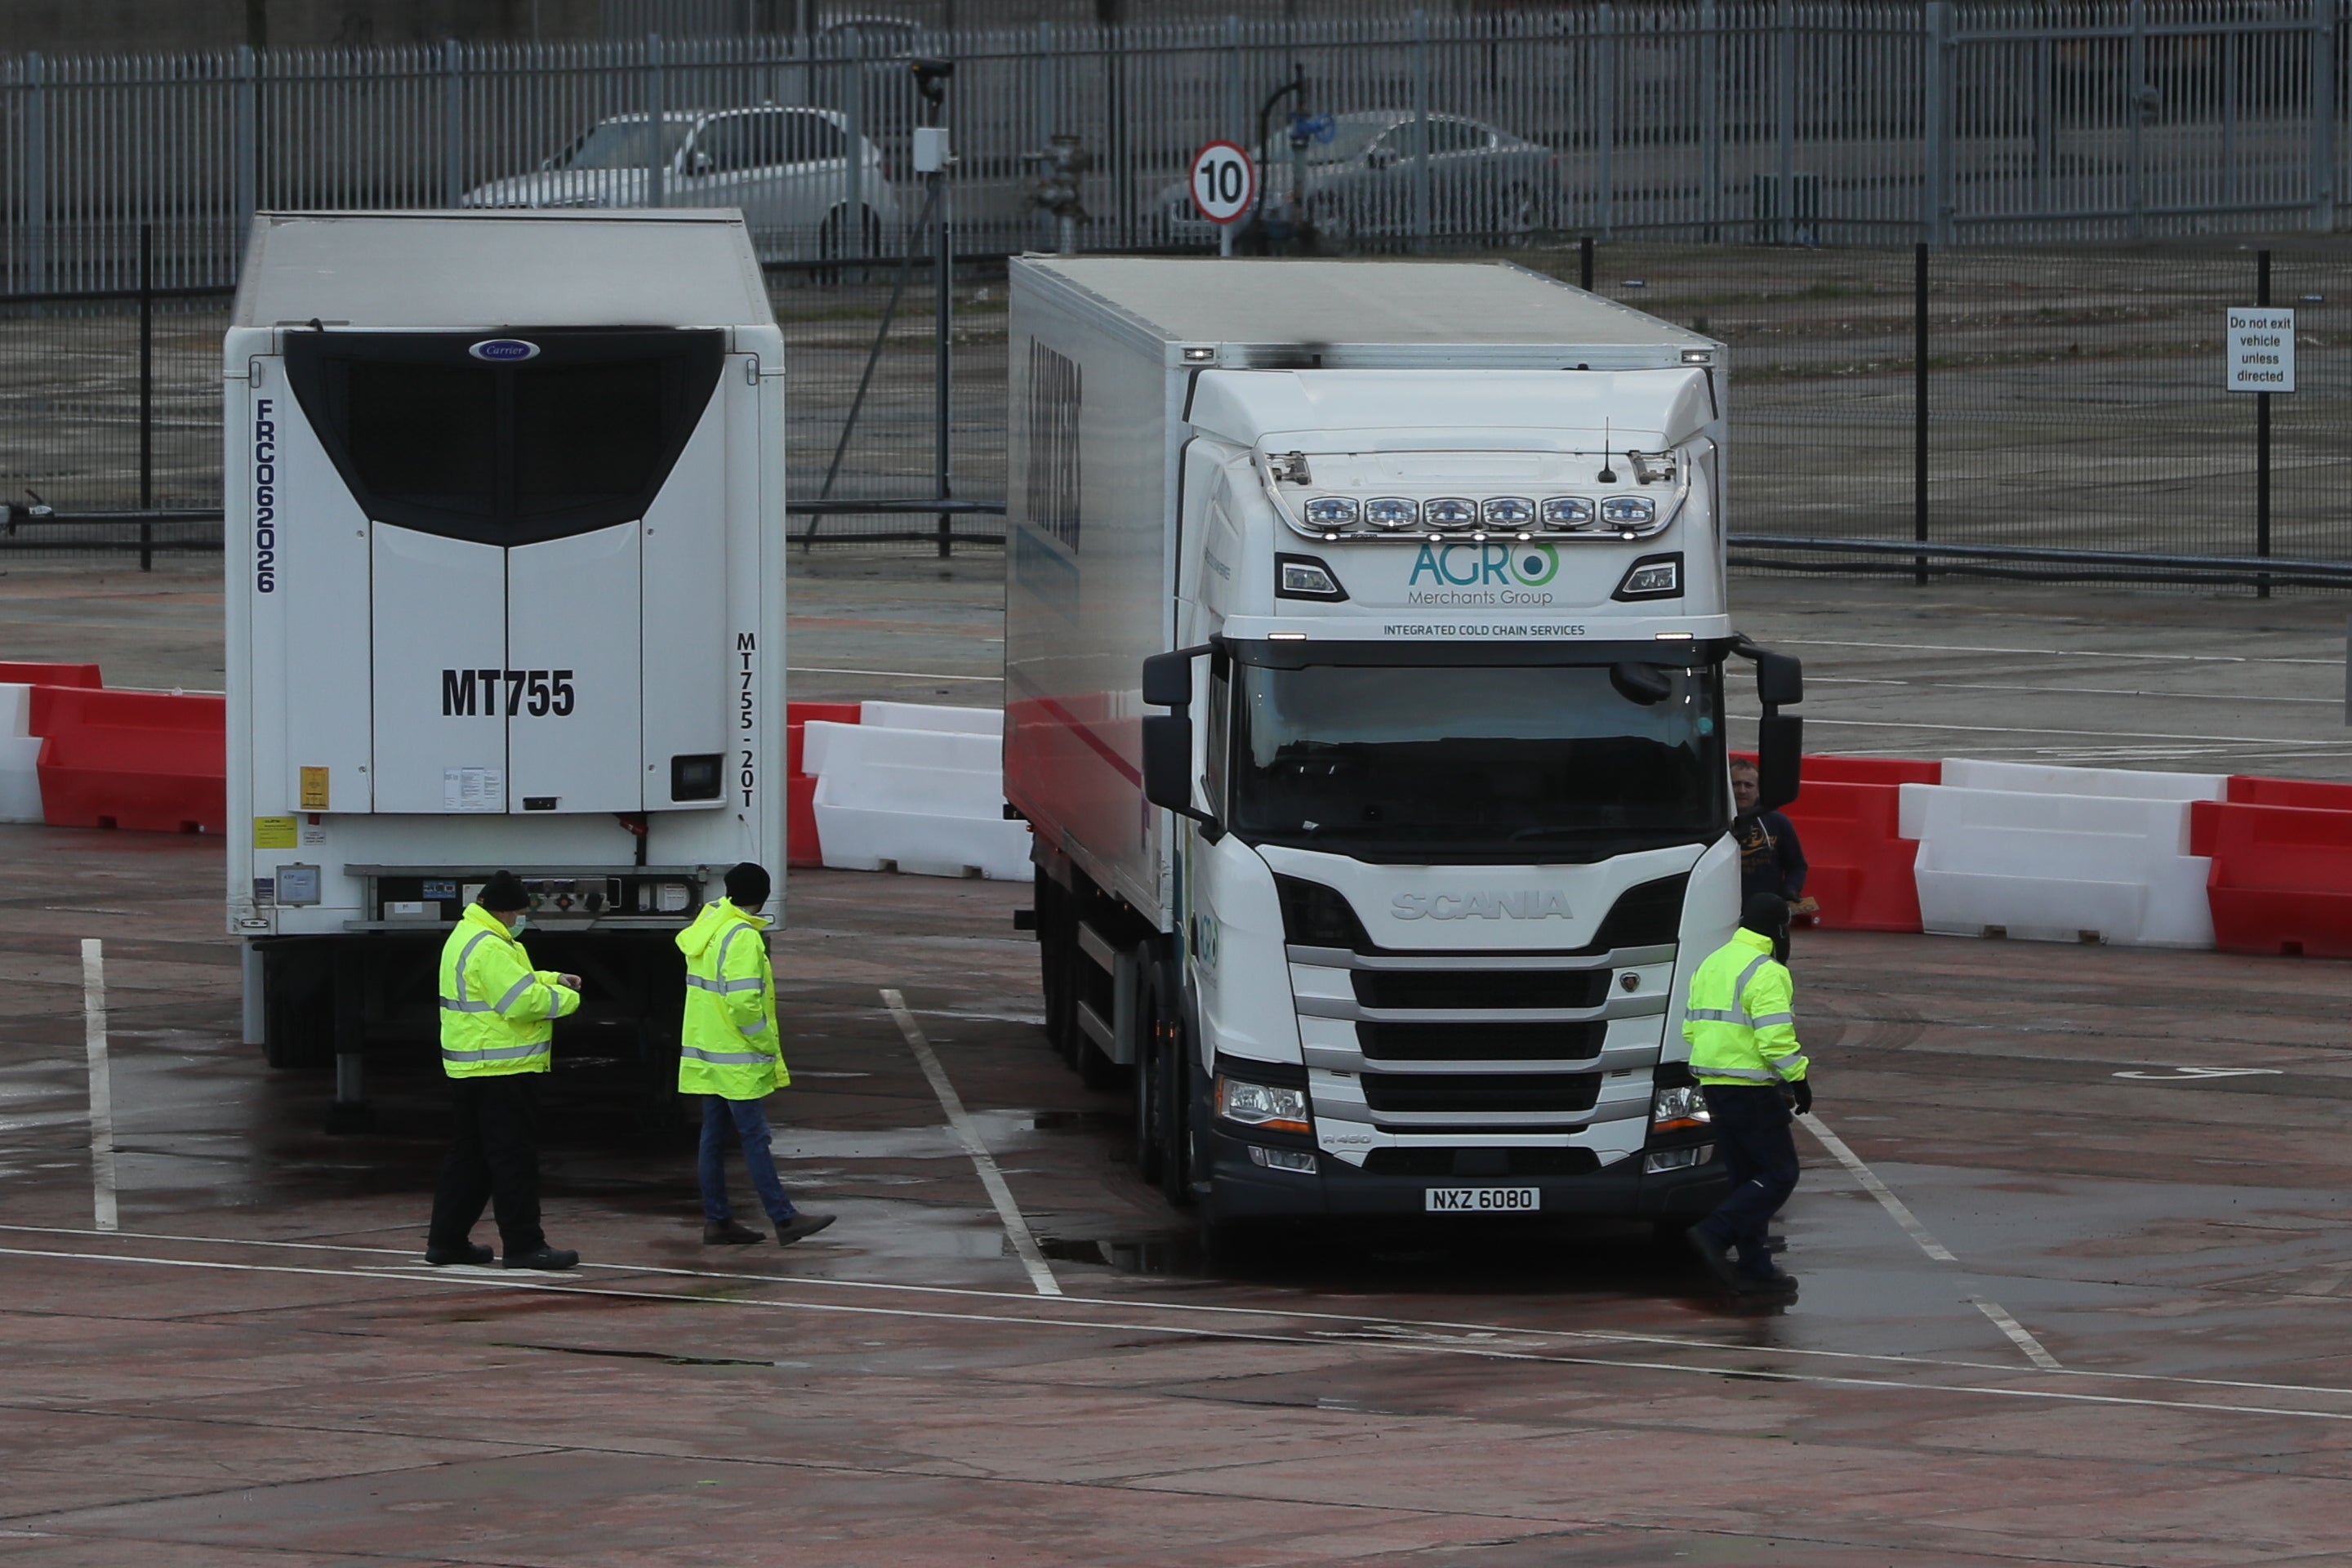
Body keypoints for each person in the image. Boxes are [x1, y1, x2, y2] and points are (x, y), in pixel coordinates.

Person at [426, 871, 582, 1271]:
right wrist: (566, 997)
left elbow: (510, 985)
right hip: (502, 1068)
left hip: (471, 1066)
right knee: (512, 1159)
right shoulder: (491, 947)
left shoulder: (469, 936)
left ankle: (446, 1242)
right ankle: (525, 1245)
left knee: (471, 1157)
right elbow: (521, 1002)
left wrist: (550, 977)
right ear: (505, 910)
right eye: (519, 912)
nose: (521, 919)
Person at [678, 862, 835, 1249]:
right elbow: (745, 1003)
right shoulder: (743, 938)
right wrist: (764, 1042)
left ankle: (718, 1221)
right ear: (762, 897)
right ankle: (784, 1218)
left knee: (713, 1138)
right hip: (737, 1057)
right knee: (754, 1137)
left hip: (708, 1053)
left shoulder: (709, 925)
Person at [1682, 893, 1812, 1298]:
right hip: (1750, 1089)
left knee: (1746, 1179)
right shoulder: (1766, 970)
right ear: (1777, 928)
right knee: (1779, 1174)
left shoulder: (1712, 962)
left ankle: (1756, 1267)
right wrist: (1798, 1078)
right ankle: (1713, 1233)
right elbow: (1774, 1038)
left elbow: (1690, 1028)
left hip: (1714, 1085)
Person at [1730, 758, 1810, 929]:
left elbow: (1797, 866)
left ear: (1759, 790)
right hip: (1722, 912)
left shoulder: (1778, 822)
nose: (1742, 791)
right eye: (1735, 784)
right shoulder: (1713, 824)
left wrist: (1791, 888)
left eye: (1748, 785)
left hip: (1765, 913)